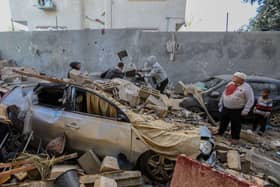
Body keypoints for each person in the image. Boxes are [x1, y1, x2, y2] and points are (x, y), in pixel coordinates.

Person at [216, 72, 254, 144]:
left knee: (236, 124)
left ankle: (235, 138)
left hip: (237, 110)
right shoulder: (230, 84)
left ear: (241, 79)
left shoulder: (246, 87)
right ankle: (220, 132)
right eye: (234, 76)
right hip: (226, 107)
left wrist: (246, 109)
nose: (233, 78)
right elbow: (224, 94)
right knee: (223, 121)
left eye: (235, 77)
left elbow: (250, 99)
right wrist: (221, 104)